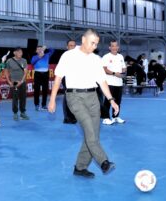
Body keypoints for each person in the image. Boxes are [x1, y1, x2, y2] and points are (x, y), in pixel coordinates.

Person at [48, 29, 118, 178]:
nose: (94, 46)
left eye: (96, 44)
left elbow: (102, 81)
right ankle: (104, 162)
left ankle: (80, 168)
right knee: (89, 130)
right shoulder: (68, 56)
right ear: (84, 40)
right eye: (92, 43)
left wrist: (111, 100)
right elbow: (58, 78)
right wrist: (52, 100)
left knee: (92, 135)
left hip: (93, 97)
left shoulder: (96, 59)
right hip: (75, 97)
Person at [101, 40, 126, 125]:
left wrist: (123, 72)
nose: (114, 47)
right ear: (109, 47)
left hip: (119, 83)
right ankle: (105, 118)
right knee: (108, 101)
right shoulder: (106, 57)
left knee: (118, 101)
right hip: (109, 82)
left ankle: (115, 117)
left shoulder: (121, 57)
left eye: (116, 46)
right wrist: (115, 74)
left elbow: (124, 68)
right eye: (113, 46)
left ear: (118, 47)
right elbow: (104, 69)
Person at [5, 47, 30, 121]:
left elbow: (25, 72)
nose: (20, 53)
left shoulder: (24, 60)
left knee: (23, 98)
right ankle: (15, 113)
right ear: (14, 53)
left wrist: (22, 81)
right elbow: (6, 72)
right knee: (15, 98)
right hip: (14, 82)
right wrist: (9, 82)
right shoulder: (9, 61)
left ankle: (23, 113)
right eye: (18, 52)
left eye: (21, 52)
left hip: (22, 82)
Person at [31, 46, 55, 111]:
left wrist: (47, 47)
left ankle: (44, 105)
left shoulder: (47, 55)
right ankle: (36, 105)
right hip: (37, 74)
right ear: (36, 51)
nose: (39, 50)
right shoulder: (34, 57)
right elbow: (32, 62)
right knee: (37, 90)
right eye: (38, 49)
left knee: (45, 90)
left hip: (46, 74)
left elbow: (53, 50)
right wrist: (40, 54)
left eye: (40, 49)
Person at [62, 40, 77, 124]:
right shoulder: (65, 56)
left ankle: (73, 116)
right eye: (70, 45)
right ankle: (67, 118)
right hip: (66, 79)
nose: (72, 47)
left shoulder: (78, 56)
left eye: (74, 45)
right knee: (68, 97)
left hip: (76, 79)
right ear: (67, 47)